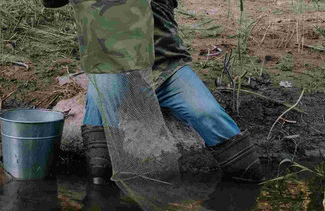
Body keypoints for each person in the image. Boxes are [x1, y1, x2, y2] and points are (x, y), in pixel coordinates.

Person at [42, 0, 264, 184]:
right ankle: (100, 194)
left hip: (164, 68)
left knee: (206, 112)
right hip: (112, 67)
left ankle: (249, 183)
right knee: (100, 112)